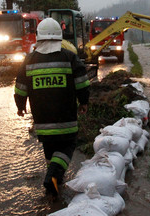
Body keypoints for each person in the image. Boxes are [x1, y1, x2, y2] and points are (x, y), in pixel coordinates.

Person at [14, 18, 90, 195]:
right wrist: (84, 101)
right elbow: (82, 83)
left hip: (42, 122)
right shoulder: (69, 57)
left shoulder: (29, 60)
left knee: (50, 152)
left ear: (38, 37)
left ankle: (55, 186)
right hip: (66, 120)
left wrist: (20, 106)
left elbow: (20, 87)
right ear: (59, 37)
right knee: (68, 146)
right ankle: (53, 178)